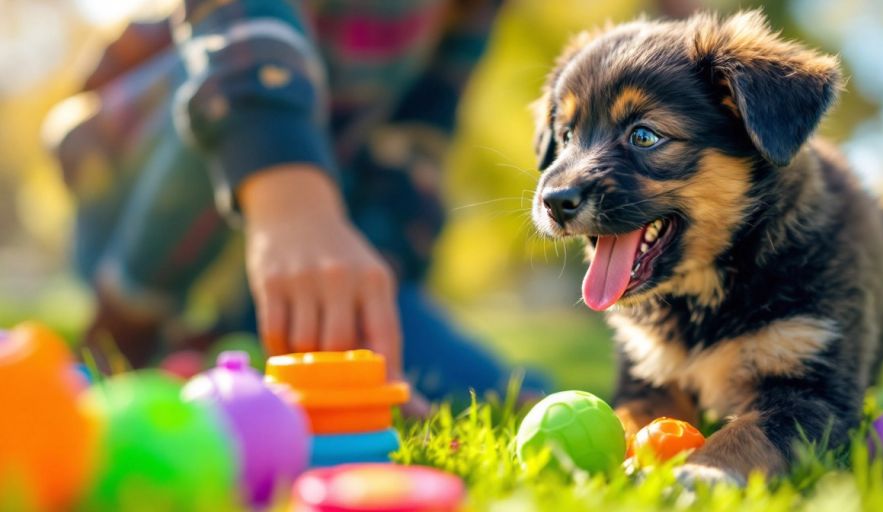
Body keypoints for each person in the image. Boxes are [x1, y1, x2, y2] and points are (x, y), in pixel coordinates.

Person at [48, 0, 548, 407]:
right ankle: (135, 323)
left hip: (312, 244)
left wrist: (368, 313)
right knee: (222, 76)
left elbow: (414, 139)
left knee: (498, 389)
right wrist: (290, 198)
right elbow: (235, 24)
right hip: (150, 205)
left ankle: (226, 337)